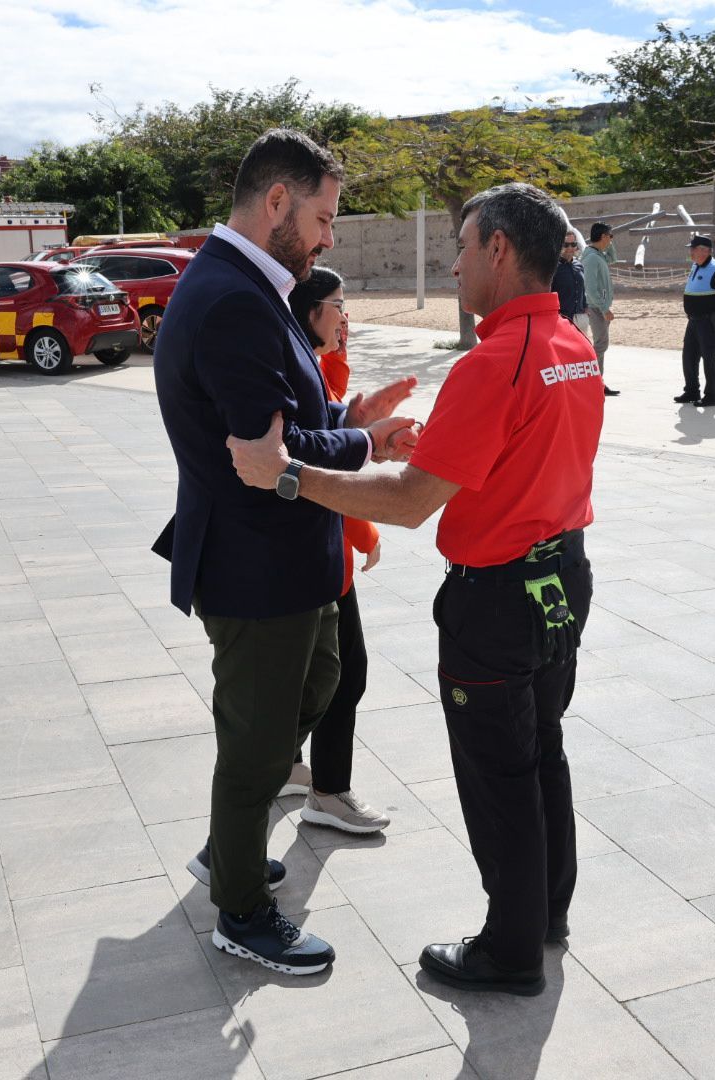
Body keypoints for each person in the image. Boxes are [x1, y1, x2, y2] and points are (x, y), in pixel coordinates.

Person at [227, 182, 603, 997]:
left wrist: (287, 475)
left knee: (499, 774)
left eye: (465, 247)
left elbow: (406, 503)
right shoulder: (572, 345)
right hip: (561, 577)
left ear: (499, 250)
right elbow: (520, 456)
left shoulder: (493, 360)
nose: (457, 262)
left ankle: (508, 952)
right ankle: (544, 917)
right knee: (543, 753)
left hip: (497, 598)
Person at [151, 128, 418, 977]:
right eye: (323, 216)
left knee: (323, 680)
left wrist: (347, 416)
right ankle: (240, 909)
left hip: (283, 557)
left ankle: (228, 850)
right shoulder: (234, 297)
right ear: (277, 202)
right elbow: (259, 457)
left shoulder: (246, 282)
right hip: (255, 561)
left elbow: (284, 421)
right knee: (260, 744)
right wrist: (365, 441)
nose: (330, 235)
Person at [278, 266, 391, 834]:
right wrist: (366, 531)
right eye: (339, 304)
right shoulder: (295, 372)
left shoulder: (311, 365)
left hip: (321, 550)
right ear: (311, 310)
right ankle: (326, 789)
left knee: (321, 676)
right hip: (315, 551)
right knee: (340, 677)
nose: (347, 315)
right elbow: (323, 464)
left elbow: (335, 407)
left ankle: (284, 767)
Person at [675, 234, 715, 407]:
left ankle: (711, 396)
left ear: (705, 251)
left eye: (693, 248)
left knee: (708, 357)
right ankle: (692, 391)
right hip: (694, 321)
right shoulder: (695, 265)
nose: (691, 251)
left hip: (710, 321)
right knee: (689, 356)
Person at [581, 222, 621, 397]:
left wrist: (610, 243)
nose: (611, 240)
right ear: (603, 236)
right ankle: (588, 381)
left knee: (600, 344)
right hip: (596, 307)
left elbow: (614, 259)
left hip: (600, 306)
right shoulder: (591, 258)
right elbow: (590, 288)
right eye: (610, 236)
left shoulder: (599, 255)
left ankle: (598, 382)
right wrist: (604, 308)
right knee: (601, 344)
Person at [553, 228, 586, 328]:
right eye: (566, 245)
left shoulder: (579, 265)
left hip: (580, 319)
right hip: (560, 320)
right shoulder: (552, 268)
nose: (570, 248)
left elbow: (582, 290)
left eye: (573, 244)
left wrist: (585, 307)